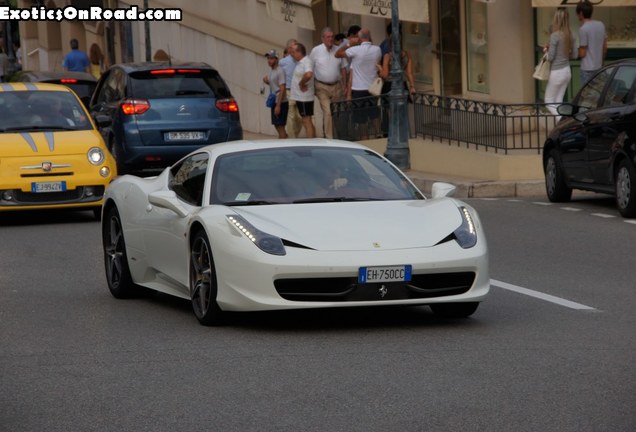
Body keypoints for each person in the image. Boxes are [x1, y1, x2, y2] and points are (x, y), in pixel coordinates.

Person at [336, 28, 382, 140]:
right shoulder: (377, 49)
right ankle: (379, 135)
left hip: (358, 89)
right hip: (373, 88)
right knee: (374, 113)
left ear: (359, 38)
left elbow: (337, 54)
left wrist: (349, 44)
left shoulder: (355, 50)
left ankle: (365, 138)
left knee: (361, 118)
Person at [309, 27, 346, 138]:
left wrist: (345, 85)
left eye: (332, 37)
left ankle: (338, 135)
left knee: (337, 113)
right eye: (328, 37)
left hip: (337, 86)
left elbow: (344, 69)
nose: (330, 39)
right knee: (328, 112)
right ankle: (329, 138)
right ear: (323, 38)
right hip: (322, 86)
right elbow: (310, 68)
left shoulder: (338, 49)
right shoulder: (316, 51)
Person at [543, 8, 576, 121]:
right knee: (558, 102)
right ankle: (561, 127)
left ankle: (563, 122)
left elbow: (551, 57)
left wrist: (546, 51)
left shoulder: (555, 35)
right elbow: (575, 56)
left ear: (556, 19)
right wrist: (564, 55)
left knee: (548, 101)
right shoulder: (571, 35)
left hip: (556, 72)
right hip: (567, 71)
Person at [576, 0, 607, 85]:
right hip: (599, 67)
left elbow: (582, 53)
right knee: (599, 94)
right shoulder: (601, 24)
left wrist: (574, 51)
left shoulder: (583, 29)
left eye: (577, 13)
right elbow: (604, 48)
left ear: (581, 13)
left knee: (587, 96)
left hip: (587, 69)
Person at [290, 43, 316, 138]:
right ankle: (313, 140)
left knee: (306, 121)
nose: (292, 54)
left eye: (293, 52)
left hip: (304, 97)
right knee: (306, 120)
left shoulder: (306, 61)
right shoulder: (301, 62)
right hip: (300, 97)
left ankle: (311, 143)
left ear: (299, 52)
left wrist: (301, 83)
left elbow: (308, 74)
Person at [279, 38, 303, 138]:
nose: (296, 48)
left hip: (300, 91)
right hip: (289, 91)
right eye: (294, 46)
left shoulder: (301, 60)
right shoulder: (282, 62)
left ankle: (295, 134)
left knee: (300, 117)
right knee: (291, 115)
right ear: (289, 49)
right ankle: (292, 138)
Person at [262, 49, 288, 139]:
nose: (269, 61)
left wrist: (278, 105)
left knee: (280, 126)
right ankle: (284, 139)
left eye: (271, 58)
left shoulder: (279, 71)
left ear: (276, 59)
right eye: (268, 58)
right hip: (275, 101)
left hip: (280, 102)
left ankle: (283, 144)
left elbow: (282, 88)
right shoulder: (272, 71)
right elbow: (275, 85)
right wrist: (267, 82)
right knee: (277, 125)